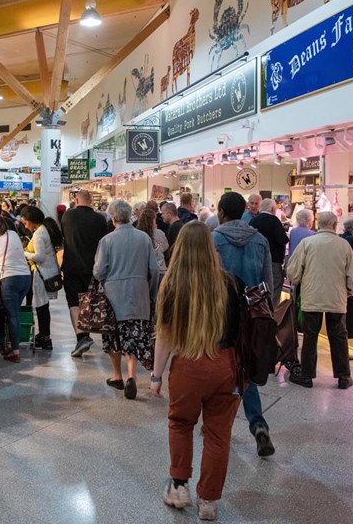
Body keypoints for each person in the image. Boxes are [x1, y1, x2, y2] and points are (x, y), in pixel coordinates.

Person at [151, 222, 243, 520]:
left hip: (188, 364)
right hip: (225, 365)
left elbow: (164, 336)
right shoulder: (229, 282)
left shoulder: (172, 285)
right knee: (219, 435)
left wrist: (156, 376)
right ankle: (209, 502)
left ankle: (179, 487)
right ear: (210, 247)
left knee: (180, 423)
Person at [211, 192, 275, 457]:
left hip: (219, 313)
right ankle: (258, 424)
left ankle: (218, 425)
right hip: (250, 314)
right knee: (244, 370)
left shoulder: (213, 239)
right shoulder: (259, 239)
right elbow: (267, 283)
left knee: (218, 367)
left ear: (221, 212)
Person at [287, 211, 353, 390]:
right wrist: (350, 291)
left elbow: (293, 272)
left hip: (312, 297)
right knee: (339, 337)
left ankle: (306, 376)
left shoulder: (307, 243)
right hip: (337, 298)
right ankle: (343, 377)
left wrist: (297, 281)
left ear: (318, 224)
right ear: (335, 225)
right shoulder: (343, 245)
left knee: (310, 337)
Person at [93, 200, 158, 400]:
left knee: (114, 337)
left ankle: (117, 375)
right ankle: (132, 376)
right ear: (130, 215)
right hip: (139, 295)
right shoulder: (144, 238)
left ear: (113, 218)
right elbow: (154, 270)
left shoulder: (107, 240)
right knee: (134, 335)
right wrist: (150, 293)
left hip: (114, 297)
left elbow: (98, 271)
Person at [61, 190, 109, 357]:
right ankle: (85, 336)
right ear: (91, 202)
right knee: (88, 302)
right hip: (93, 268)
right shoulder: (100, 219)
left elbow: (63, 236)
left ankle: (82, 337)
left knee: (74, 302)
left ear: (76, 200)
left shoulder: (68, 216)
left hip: (71, 267)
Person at [0, 214, 32, 363]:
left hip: (9, 279)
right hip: (25, 278)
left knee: (12, 315)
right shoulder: (12, 234)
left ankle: (15, 352)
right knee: (14, 314)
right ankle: (9, 346)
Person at [22, 206, 62, 351]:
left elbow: (39, 257)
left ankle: (45, 338)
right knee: (43, 307)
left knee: (41, 307)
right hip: (48, 272)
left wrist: (25, 253)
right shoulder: (44, 229)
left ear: (31, 221)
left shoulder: (39, 234)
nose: (25, 226)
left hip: (42, 273)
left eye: (26, 223)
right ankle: (45, 336)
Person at [250, 198, 288, 304]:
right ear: (272, 209)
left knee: (259, 285)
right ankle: (272, 308)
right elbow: (282, 239)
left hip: (255, 258)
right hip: (273, 259)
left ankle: (260, 307)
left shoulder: (254, 220)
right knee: (276, 283)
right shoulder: (274, 220)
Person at [137, 208, 168, 279]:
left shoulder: (138, 235)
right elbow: (165, 247)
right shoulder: (159, 233)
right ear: (153, 220)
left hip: (143, 271)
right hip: (160, 269)